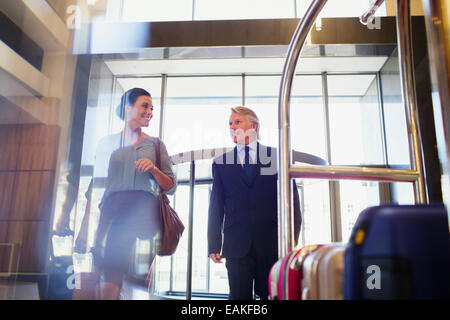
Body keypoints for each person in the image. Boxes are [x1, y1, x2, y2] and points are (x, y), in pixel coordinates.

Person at [84, 87, 176, 300]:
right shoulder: (108, 144)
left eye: (152, 108)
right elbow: (99, 190)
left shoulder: (155, 144)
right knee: (98, 284)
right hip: (111, 219)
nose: (150, 111)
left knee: (134, 286)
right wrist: (87, 229)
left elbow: (171, 186)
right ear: (127, 107)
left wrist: (153, 169)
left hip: (143, 223)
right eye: (145, 106)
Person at [207, 106, 301, 300]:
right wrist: (214, 244)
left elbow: (292, 204)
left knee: (271, 296)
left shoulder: (278, 157)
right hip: (236, 245)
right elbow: (215, 208)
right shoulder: (221, 163)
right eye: (230, 124)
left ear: (253, 126)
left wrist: (292, 240)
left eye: (237, 122)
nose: (232, 127)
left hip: (271, 244)